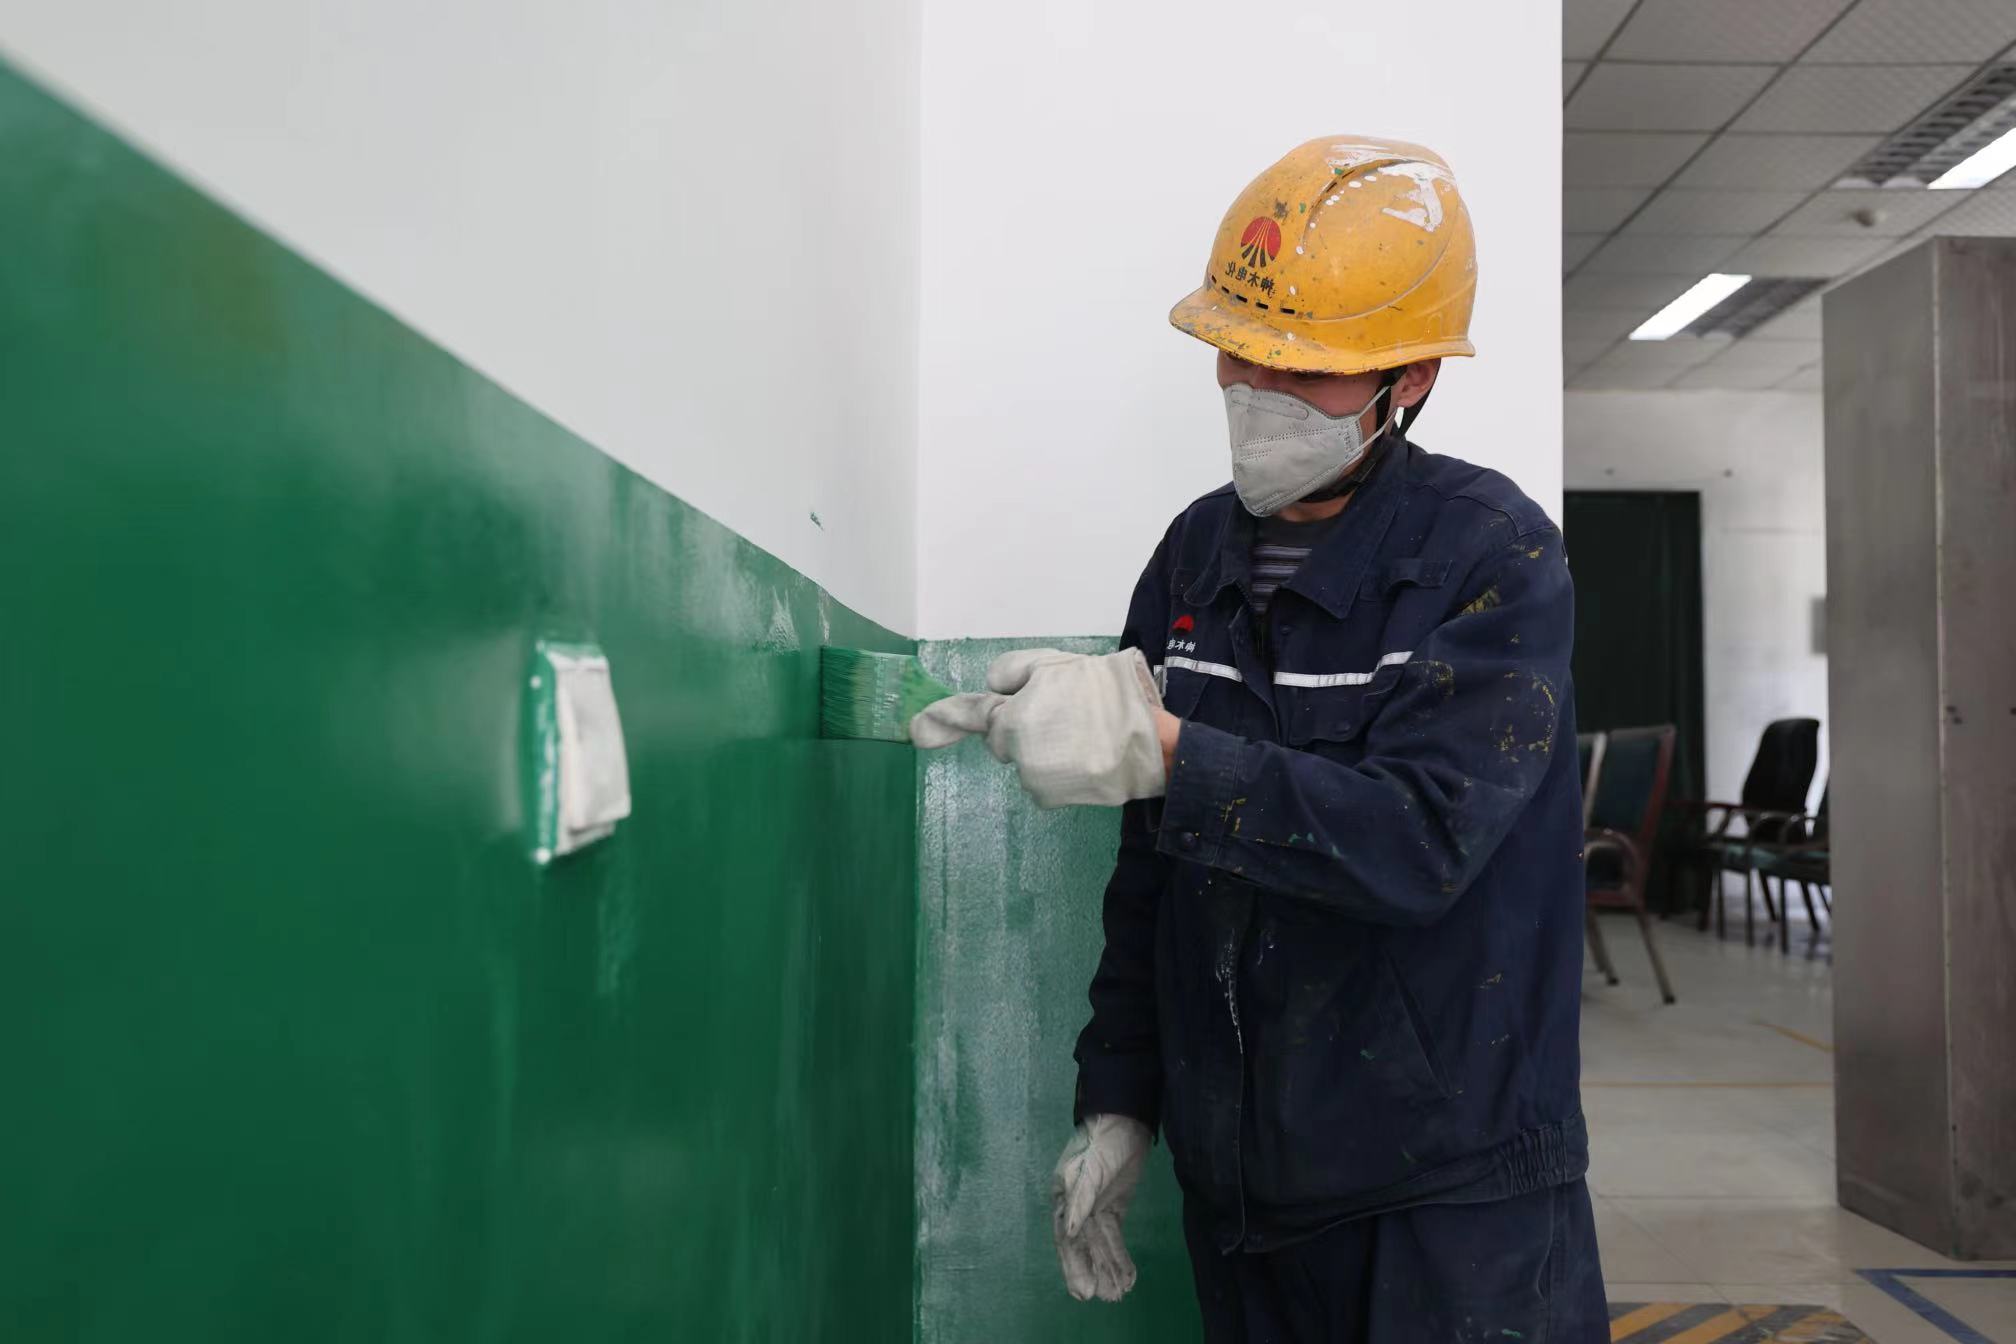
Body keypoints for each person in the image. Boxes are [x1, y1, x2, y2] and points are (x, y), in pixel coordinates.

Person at [911, 136, 1606, 1343]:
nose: (1260, 392)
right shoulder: (1193, 558)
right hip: (1242, 1196)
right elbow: (1152, 873)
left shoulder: (1494, 558)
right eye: (1243, 353)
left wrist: (1171, 753)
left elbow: (1419, 843)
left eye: (1308, 370)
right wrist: (1120, 1099)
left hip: (1450, 1208)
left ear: (1411, 379)